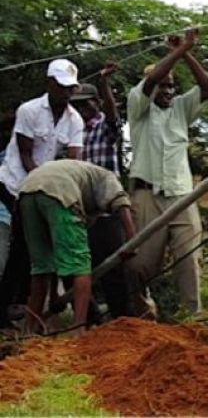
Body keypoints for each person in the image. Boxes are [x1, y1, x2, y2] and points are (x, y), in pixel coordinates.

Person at [126, 29, 208, 317]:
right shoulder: (138, 106)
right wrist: (177, 51)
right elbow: (151, 80)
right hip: (146, 195)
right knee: (141, 265)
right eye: (161, 86)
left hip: (180, 195)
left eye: (171, 87)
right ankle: (141, 317)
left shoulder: (180, 109)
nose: (167, 91)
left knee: (189, 257)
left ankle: (192, 317)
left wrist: (187, 53)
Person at [0, 59, 84, 327]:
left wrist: (63, 192)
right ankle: (6, 309)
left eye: (70, 88)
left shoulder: (75, 120)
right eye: (61, 87)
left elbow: (73, 160)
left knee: (38, 250)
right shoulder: (30, 110)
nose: (66, 93)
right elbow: (25, 154)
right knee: (20, 249)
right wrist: (43, 185)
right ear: (49, 83)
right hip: (15, 184)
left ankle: (22, 307)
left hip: (44, 188)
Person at [18, 159, 134, 336]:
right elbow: (122, 204)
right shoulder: (107, 176)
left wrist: (55, 295)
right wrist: (131, 242)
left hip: (28, 190)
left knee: (41, 267)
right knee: (81, 265)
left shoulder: (79, 174)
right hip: (59, 189)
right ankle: (79, 329)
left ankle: (29, 331)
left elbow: (52, 255)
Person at [70, 61, 131, 320]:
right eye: (77, 105)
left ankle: (122, 321)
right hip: (82, 212)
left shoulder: (105, 126)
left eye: (86, 104)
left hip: (107, 210)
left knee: (113, 269)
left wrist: (105, 83)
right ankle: (91, 321)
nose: (82, 109)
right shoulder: (73, 131)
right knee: (78, 267)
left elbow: (113, 116)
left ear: (96, 102)